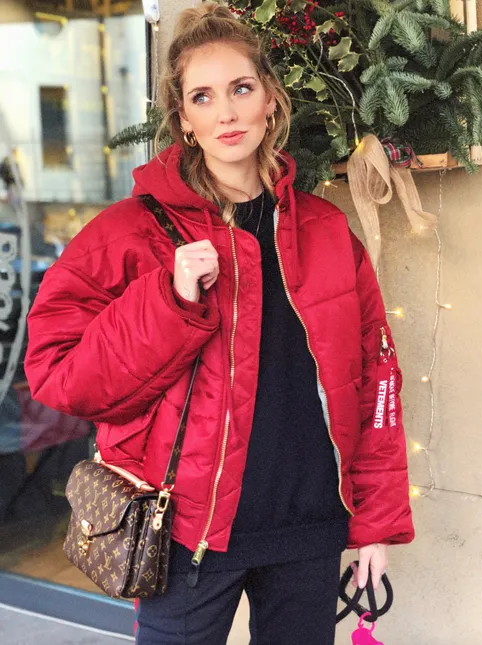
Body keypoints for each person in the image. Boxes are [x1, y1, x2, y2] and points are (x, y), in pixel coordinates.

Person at [25, 3, 414, 644]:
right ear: (184, 119)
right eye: (203, 97)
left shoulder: (326, 232)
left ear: (270, 100)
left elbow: (376, 383)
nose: (226, 113)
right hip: (183, 533)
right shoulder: (130, 233)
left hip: (309, 529)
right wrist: (168, 301)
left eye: (241, 88)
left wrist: (375, 523)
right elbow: (59, 375)